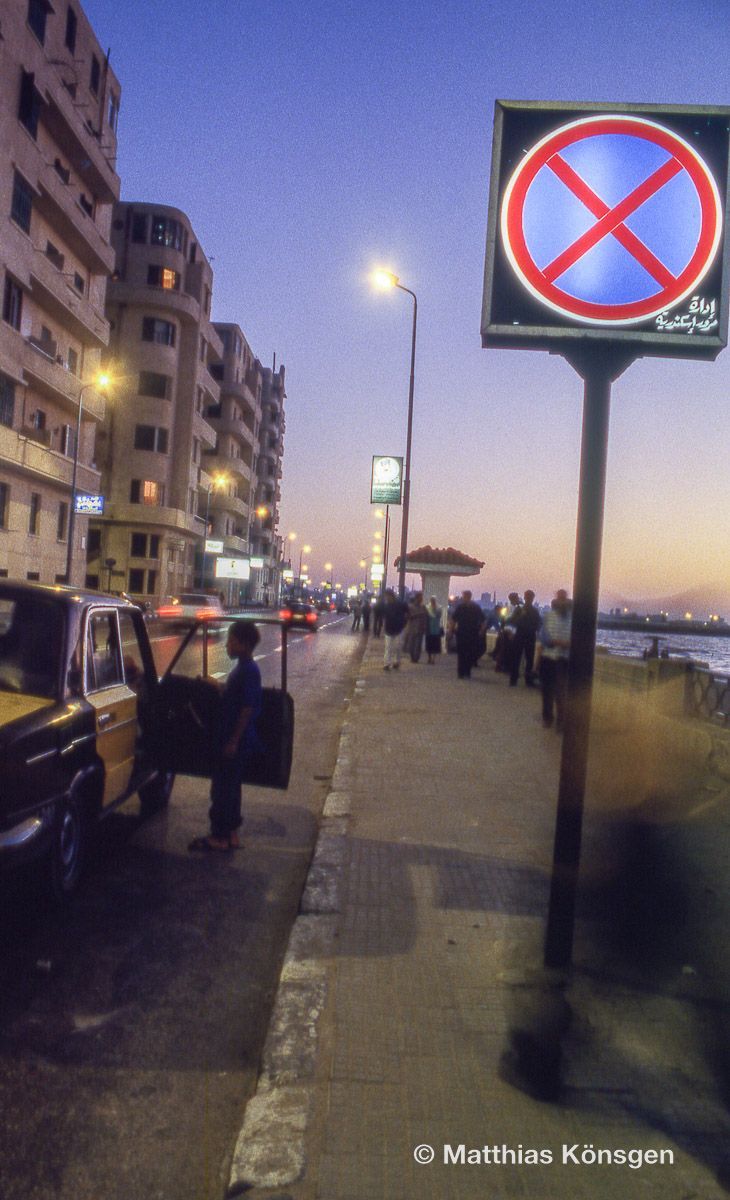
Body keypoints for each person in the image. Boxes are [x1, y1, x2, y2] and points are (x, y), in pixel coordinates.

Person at [189, 620, 263, 852]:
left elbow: (247, 708)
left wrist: (233, 741)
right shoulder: (243, 668)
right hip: (236, 740)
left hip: (236, 740)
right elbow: (235, 697)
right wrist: (217, 686)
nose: (227, 646)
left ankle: (219, 836)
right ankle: (231, 834)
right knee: (232, 787)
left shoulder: (249, 670)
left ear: (244, 644)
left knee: (221, 789)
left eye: (231, 641)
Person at [539, 590, 572, 730]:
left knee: (561, 692)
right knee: (547, 691)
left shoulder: (573, 619)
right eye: (560, 599)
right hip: (548, 657)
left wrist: (567, 644)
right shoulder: (548, 616)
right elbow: (543, 637)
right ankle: (547, 718)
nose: (562, 602)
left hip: (564, 659)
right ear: (556, 601)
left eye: (564, 599)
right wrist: (557, 642)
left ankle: (561, 720)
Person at [448, 590, 486, 679]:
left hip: (463, 632)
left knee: (462, 653)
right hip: (472, 633)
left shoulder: (460, 607)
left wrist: (450, 631)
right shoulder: (476, 607)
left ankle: (461, 672)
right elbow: (483, 621)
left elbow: (453, 620)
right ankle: (466, 672)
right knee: (469, 653)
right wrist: (481, 631)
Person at [509, 589, 542, 687]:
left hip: (524, 635)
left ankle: (516, 679)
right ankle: (523, 679)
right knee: (524, 658)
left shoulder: (523, 610)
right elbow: (513, 621)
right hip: (526, 635)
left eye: (529, 597)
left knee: (521, 658)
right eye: (528, 597)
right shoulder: (528, 610)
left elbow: (512, 621)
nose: (528, 599)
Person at [382, 588, 409, 670]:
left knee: (397, 647)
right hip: (389, 628)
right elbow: (384, 617)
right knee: (388, 647)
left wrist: (404, 623)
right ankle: (387, 664)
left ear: (391, 595)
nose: (386, 598)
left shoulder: (400, 604)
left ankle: (396, 662)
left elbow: (408, 612)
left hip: (398, 628)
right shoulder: (386, 605)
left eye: (387, 596)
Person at [403, 591, 428, 663]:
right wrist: (416, 615)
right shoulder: (410, 607)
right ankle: (412, 657)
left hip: (420, 628)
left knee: (418, 644)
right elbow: (406, 616)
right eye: (420, 598)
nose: (421, 599)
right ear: (416, 598)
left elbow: (426, 617)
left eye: (421, 598)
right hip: (412, 628)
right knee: (412, 644)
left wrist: (425, 626)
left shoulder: (423, 607)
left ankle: (416, 658)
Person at [425, 596, 443, 664]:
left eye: (433, 600)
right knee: (429, 644)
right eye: (432, 600)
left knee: (435, 645)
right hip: (429, 628)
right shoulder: (427, 607)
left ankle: (433, 659)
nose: (432, 601)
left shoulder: (439, 608)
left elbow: (439, 616)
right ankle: (429, 658)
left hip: (436, 629)